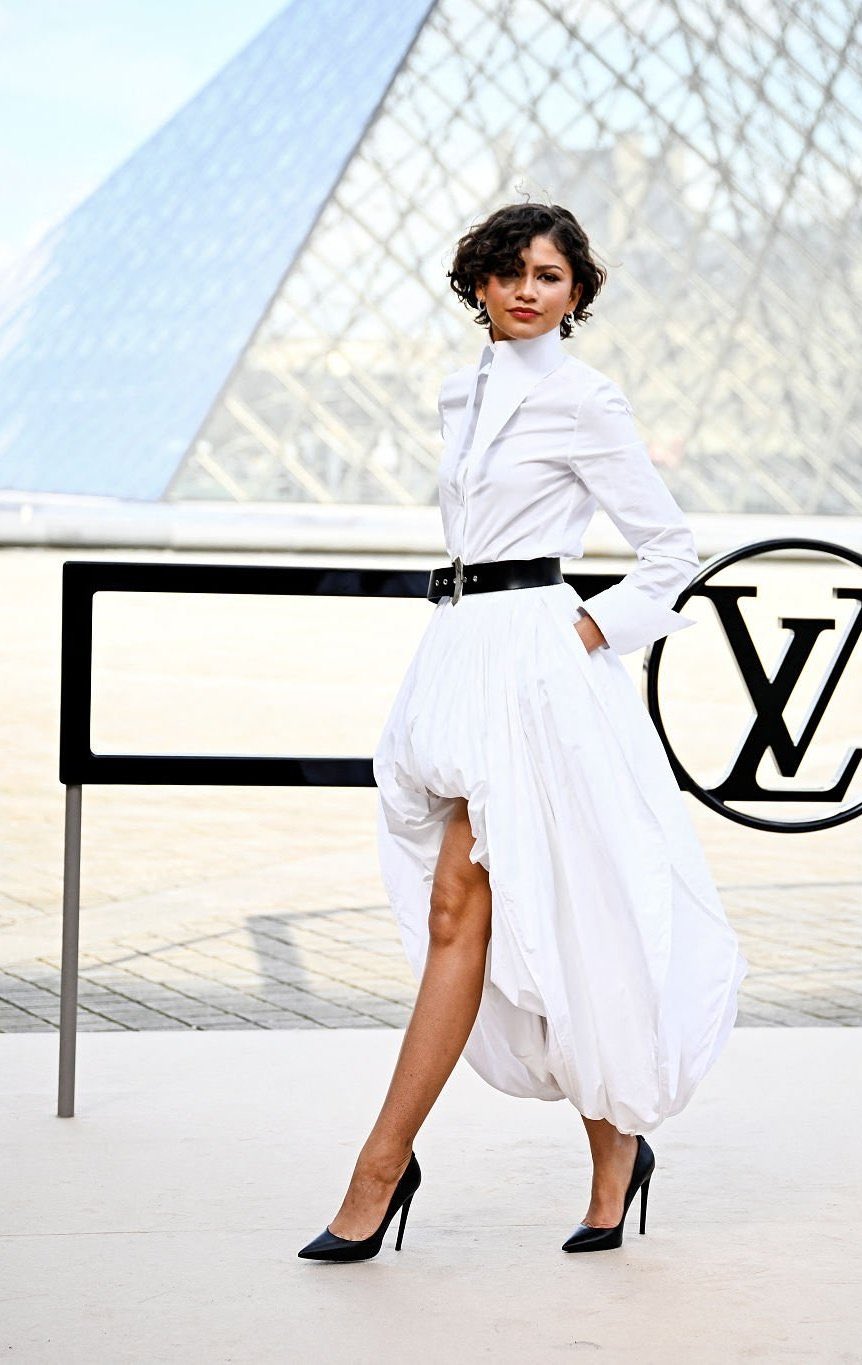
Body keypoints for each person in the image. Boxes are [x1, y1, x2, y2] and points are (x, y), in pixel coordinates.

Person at [298, 202, 748, 1262]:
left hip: (541, 673)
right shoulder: (458, 392)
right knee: (532, 913)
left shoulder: (586, 400)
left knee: (482, 908)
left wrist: (587, 631)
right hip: (460, 656)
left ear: (576, 292)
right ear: (479, 285)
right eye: (507, 272)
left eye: (548, 275)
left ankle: (380, 1169)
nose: (526, 290)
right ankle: (611, 1153)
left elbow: (669, 550)